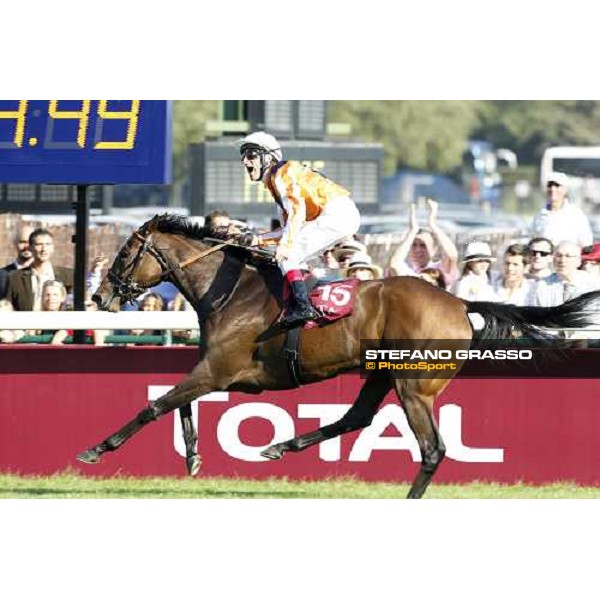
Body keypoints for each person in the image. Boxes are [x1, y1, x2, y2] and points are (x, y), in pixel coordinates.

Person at [238, 131, 361, 327]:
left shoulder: (281, 174)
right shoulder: (277, 187)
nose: (245, 161)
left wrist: (285, 246)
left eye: (251, 155)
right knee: (294, 257)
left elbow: (297, 211)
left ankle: (303, 307)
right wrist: (257, 239)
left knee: (288, 255)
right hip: (337, 215)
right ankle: (312, 302)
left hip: (336, 214)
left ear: (269, 157)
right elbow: (288, 228)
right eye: (243, 156)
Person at [388, 199, 459, 287]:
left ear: (434, 248)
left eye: (423, 245)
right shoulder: (410, 272)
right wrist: (412, 231)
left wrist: (432, 224)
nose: (418, 250)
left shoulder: (439, 270)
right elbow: (394, 264)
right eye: (414, 245)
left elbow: (452, 255)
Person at [5, 228, 74, 311]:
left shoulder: (69, 276)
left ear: (53, 248)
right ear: (30, 248)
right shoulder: (15, 278)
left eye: (48, 244)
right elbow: (7, 308)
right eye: (39, 244)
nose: (44, 249)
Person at [531, 171, 593, 248]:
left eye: (557, 185)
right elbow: (533, 241)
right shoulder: (539, 215)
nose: (552, 189)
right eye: (550, 185)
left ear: (565, 189)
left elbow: (586, 243)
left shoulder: (576, 214)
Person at [533, 241, 600, 307]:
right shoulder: (541, 285)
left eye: (568, 256)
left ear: (579, 260)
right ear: (553, 259)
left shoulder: (594, 283)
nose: (562, 260)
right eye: (559, 255)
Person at [0, 224, 34, 299]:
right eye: (22, 242)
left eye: (30, 242)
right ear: (15, 243)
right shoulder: (2, 275)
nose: (26, 246)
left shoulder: (44, 274)